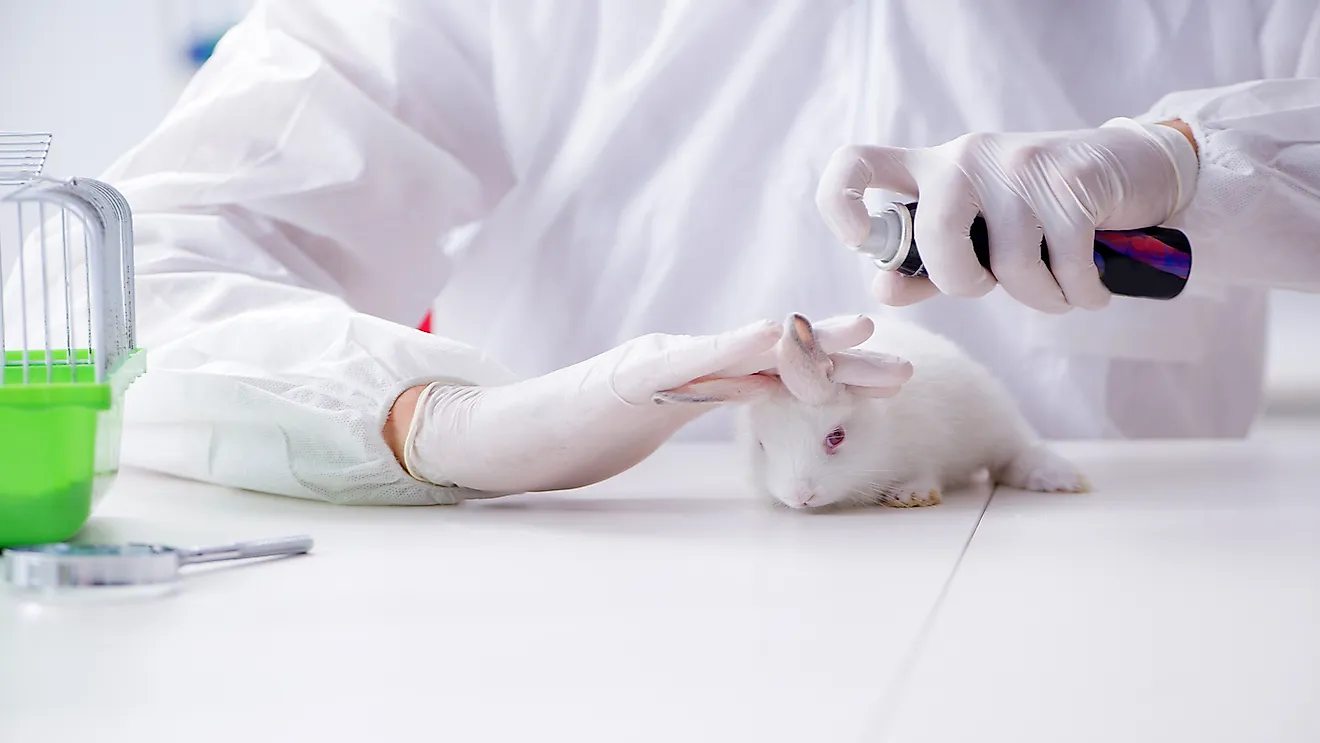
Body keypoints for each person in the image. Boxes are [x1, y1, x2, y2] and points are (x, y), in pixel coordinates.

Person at [13, 1, 1320, 505]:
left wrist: (1210, 169)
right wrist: (430, 418)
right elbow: (114, 272)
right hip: (595, 654)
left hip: (1130, 660)